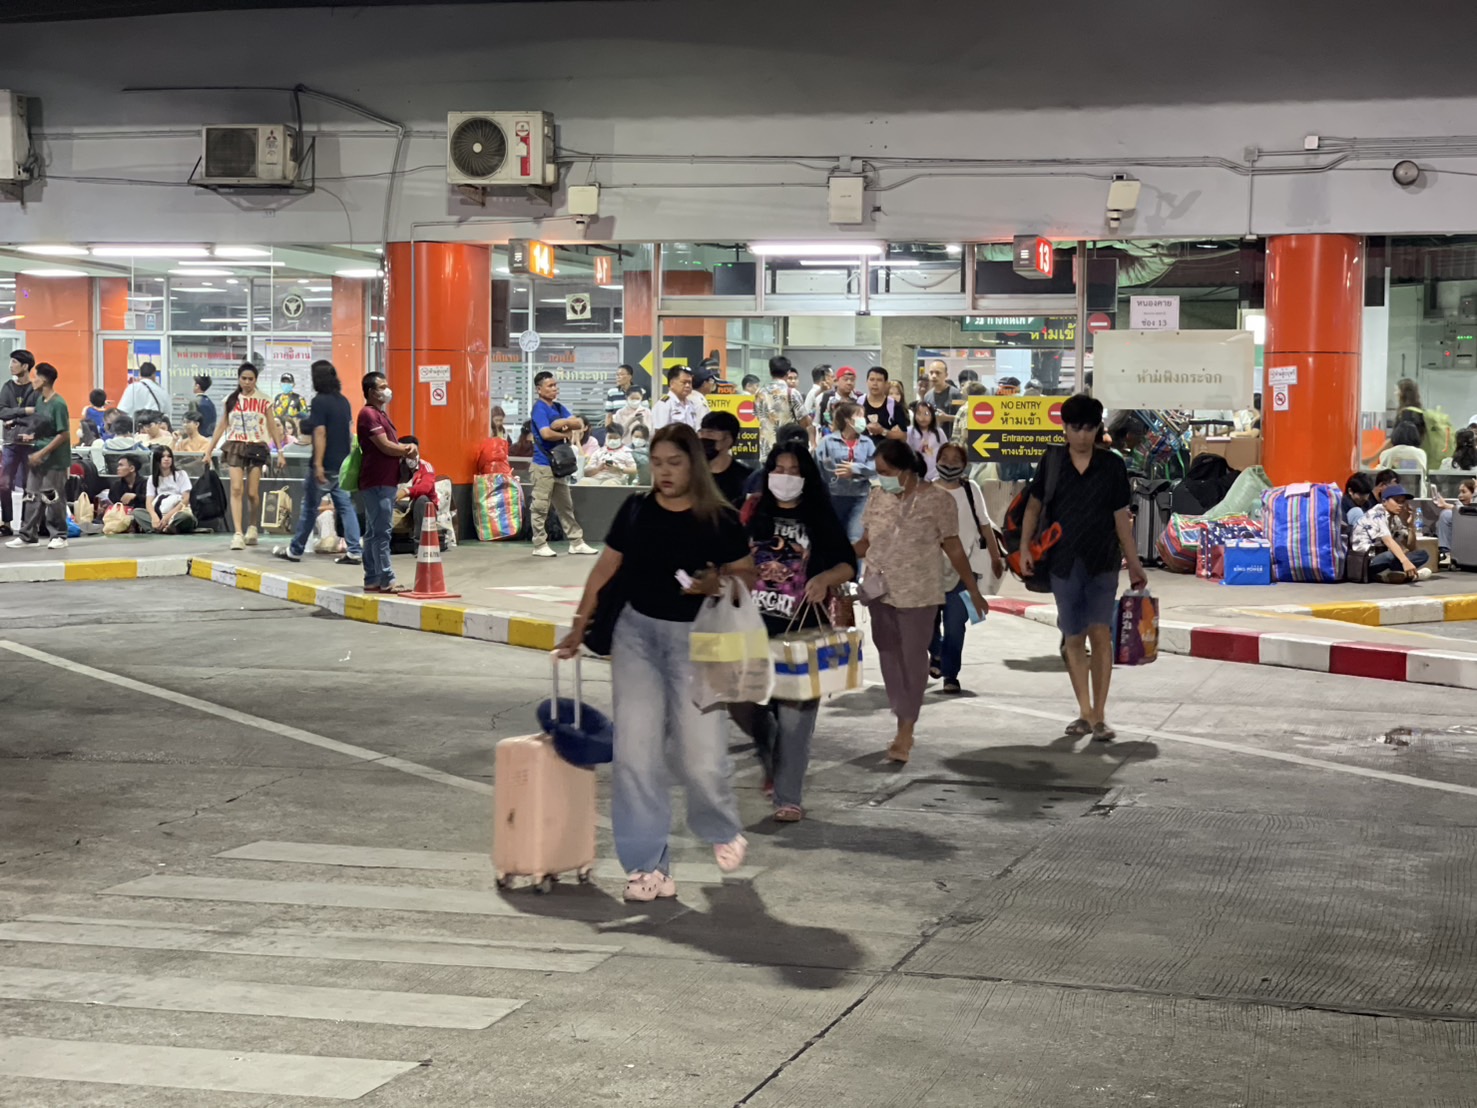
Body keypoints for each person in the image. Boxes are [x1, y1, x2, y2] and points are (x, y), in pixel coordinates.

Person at [556, 424, 753, 902]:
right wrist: (579, 624)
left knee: (701, 756)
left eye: (675, 463)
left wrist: (717, 583)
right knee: (635, 753)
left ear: (694, 466)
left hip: (699, 640)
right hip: (636, 635)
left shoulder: (720, 519)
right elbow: (605, 568)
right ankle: (648, 866)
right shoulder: (636, 509)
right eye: (658, 462)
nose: (664, 472)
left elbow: (747, 575)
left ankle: (721, 826)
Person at [731, 443, 856, 821]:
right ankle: (770, 751)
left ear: (806, 477)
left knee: (795, 720)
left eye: (793, 470)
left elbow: (848, 564)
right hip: (750, 630)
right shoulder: (751, 511)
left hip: (801, 634)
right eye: (779, 468)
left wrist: (823, 579)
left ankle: (789, 797)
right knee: (746, 707)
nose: (785, 477)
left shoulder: (820, 515)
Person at [1020, 393, 1148, 743]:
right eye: (1075, 428)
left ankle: (1100, 715)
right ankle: (1085, 712)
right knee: (1073, 636)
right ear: (1064, 427)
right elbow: (1033, 507)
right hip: (1062, 562)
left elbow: (1121, 518)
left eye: (1089, 428)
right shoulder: (1052, 461)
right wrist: (1025, 547)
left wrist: (1135, 564)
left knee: (1100, 633)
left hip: (1103, 560)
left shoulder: (1112, 465)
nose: (1082, 435)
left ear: (1097, 429)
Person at [855, 439, 988, 763]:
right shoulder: (877, 496)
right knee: (888, 653)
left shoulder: (939, 501)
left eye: (886, 472)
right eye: (878, 472)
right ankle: (901, 707)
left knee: (913, 657)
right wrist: (832, 560)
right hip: (879, 590)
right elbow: (865, 542)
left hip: (920, 593)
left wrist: (973, 589)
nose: (882, 478)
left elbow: (953, 547)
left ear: (905, 470)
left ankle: (905, 729)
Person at [928, 443, 1004, 694]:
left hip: (964, 568)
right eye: (945, 458)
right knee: (926, 623)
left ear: (964, 465)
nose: (949, 464)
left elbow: (985, 525)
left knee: (955, 624)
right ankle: (936, 652)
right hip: (928, 570)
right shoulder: (926, 491)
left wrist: (995, 557)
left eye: (955, 460)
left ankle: (950, 674)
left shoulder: (971, 490)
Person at [273, 359, 362, 566]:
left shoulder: (320, 401)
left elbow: (320, 433)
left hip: (326, 464)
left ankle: (295, 550)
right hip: (342, 464)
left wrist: (319, 464)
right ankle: (354, 550)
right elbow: (348, 433)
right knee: (346, 507)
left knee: (309, 508)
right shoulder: (343, 401)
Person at [203, 362, 288, 550]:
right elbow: (222, 425)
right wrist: (209, 450)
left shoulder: (265, 401)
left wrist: (280, 451)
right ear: (239, 379)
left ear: (256, 380)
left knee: (252, 492)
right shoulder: (230, 400)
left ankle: (252, 525)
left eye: (251, 379)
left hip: (257, 446)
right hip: (235, 445)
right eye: (244, 378)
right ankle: (238, 533)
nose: (247, 382)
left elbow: (272, 426)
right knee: (236, 488)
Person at [356, 372, 419, 593]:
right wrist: (407, 449)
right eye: (382, 387)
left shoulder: (380, 415)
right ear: (371, 392)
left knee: (374, 532)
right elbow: (384, 446)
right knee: (382, 532)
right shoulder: (368, 414)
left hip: (384, 480)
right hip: (378, 481)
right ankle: (386, 578)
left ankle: (372, 578)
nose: (387, 390)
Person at [530, 370, 599, 558]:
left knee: (565, 505)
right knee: (540, 506)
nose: (555, 389)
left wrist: (558, 423)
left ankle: (576, 542)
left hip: (559, 466)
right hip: (543, 464)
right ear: (539, 389)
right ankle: (539, 544)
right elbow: (546, 434)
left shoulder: (559, 407)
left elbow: (577, 423)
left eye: (555, 385)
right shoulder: (539, 409)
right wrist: (564, 431)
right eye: (550, 386)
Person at [5, 362, 69, 550]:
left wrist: (42, 452)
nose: (32, 380)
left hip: (54, 460)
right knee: (31, 495)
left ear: (44, 380)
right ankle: (28, 536)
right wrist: (32, 437)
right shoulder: (40, 401)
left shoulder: (59, 404)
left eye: (35, 377)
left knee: (52, 497)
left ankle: (59, 535)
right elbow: (44, 428)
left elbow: (63, 434)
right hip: (38, 458)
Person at [815, 400, 876, 543]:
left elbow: (875, 468)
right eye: (859, 416)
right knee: (833, 538)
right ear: (848, 420)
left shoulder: (867, 443)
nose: (863, 420)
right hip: (834, 497)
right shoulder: (827, 442)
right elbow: (817, 468)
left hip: (860, 497)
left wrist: (855, 469)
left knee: (855, 537)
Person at [1352, 484, 1432, 583]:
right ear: (1384, 501)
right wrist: (1405, 561)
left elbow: (1410, 547)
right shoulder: (1376, 514)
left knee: (1422, 554)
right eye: (1397, 501)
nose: (1401, 505)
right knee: (1392, 555)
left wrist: (1410, 525)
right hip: (1365, 561)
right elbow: (1388, 541)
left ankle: (1390, 575)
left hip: (1382, 558)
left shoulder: (1394, 518)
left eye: (1403, 501)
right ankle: (1410, 575)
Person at [0, 348, 37, 537]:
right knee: (4, 484)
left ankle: (25, 524)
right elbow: (2, 411)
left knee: (29, 486)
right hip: (10, 443)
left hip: (30, 444)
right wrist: (24, 412)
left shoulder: (35, 389)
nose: (11, 366)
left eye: (15, 362)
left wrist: (14, 419)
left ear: (25, 366)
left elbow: (38, 415)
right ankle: (6, 522)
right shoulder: (7, 387)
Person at [754, 355, 809, 458]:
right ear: (788, 372)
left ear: (770, 372)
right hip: (788, 449)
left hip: (765, 450)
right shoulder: (791, 393)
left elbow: (758, 416)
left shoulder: (759, 393)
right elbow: (804, 421)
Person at [699, 409, 751, 508]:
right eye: (701, 432)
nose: (704, 438)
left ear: (728, 440)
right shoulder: (691, 475)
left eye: (710, 433)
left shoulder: (746, 479)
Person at [146, 446, 196, 534]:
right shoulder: (152, 478)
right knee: (137, 512)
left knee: (186, 516)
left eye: (169, 456)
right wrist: (154, 516)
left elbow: (186, 499)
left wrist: (169, 516)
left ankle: (162, 528)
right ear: (157, 460)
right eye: (163, 456)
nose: (166, 459)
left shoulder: (181, 474)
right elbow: (148, 502)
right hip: (160, 512)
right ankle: (165, 528)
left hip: (178, 511)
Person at [862, 367, 909, 446]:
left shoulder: (895, 406)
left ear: (886, 384)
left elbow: (903, 437)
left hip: (887, 451)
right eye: (872, 379)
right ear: (866, 382)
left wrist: (882, 431)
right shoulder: (858, 403)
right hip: (863, 451)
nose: (875, 383)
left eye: (879, 380)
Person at [652, 365, 707, 431]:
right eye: (684, 382)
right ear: (672, 383)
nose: (687, 385)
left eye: (689, 382)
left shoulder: (690, 404)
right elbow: (659, 432)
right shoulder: (664, 405)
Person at [107, 453, 151, 533]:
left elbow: (150, 501)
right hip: (122, 520)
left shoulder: (146, 483)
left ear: (132, 468)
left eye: (121, 465)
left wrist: (135, 496)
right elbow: (114, 502)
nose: (118, 468)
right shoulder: (116, 485)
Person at [1434, 478, 1476, 557]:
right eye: (1460, 492)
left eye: (1464, 492)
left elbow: (1466, 511)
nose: (1460, 495)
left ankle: (1445, 551)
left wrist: (1445, 505)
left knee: (1446, 514)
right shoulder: (1459, 505)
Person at [907, 401, 947, 480]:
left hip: (936, 474)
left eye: (926, 414)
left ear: (932, 416)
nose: (922, 418)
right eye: (919, 414)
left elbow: (946, 450)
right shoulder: (909, 432)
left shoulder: (939, 432)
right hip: (916, 473)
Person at [922, 359, 964, 432]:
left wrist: (947, 418)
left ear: (946, 375)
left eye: (938, 373)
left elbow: (964, 418)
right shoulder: (927, 396)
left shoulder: (955, 394)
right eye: (931, 373)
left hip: (952, 436)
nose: (934, 376)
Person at [818, 365, 860, 433]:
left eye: (852, 380)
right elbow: (818, 422)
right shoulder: (826, 397)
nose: (849, 383)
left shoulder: (859, 398)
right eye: (845, 379)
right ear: (836, 381)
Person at [273, 371, 309, 437]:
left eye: (288, 382)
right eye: (284, 382)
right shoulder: (277, 397)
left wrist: (297, 414)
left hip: (293, 432)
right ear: (280, 384)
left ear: (293, 384)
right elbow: (274, 414)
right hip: (280, 432)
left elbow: (306, 417)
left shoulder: (299, 398)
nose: (286, 384)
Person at [605, 363, 636, 428]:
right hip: (617, 429)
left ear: (630, 377)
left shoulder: (640, 392)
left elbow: (645, 414)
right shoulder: (612, 392)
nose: (618, 377)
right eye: (617, 375)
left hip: (634, 428)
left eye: (621, 374)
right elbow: (608, 415)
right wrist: (608, 431)